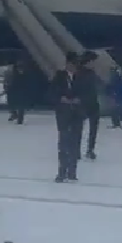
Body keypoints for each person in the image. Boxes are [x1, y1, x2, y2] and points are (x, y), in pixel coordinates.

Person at [50, 52, 86, 182]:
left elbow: (88, 93)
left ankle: (72, 171)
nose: (73, 67)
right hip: (63, 114)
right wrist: (61, 98)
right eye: (72, 64)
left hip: (77, 114)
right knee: (63, 143)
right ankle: (62, 171)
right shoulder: (59, 77)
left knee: (74, 143)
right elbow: (52, 92)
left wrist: (80, 100)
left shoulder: (82, 77)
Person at [78, 51, 101, 160]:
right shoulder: (81, 73)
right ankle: (77, 149)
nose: (95, 64)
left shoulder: (92, 73)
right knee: (78, 128)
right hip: (83, 103)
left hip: (93, 103)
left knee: (93, 129)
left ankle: (90, 149)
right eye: (94, 61)